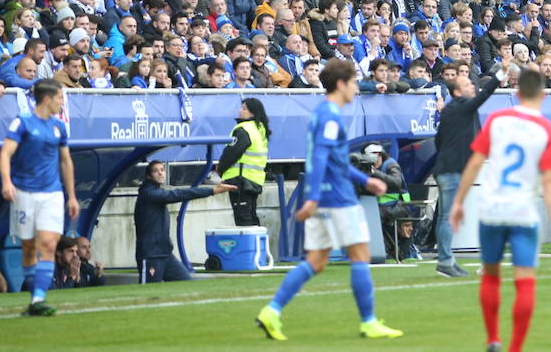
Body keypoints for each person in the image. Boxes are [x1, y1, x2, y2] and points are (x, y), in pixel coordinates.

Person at [256, 58, 403, 341]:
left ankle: (272, 311)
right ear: (340, 84)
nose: (356, 88)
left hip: (326, 196)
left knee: (316, 261)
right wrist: (311, 198)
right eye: (353, 83)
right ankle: (369, 321)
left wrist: (366, 180)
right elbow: (321, 157)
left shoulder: (323, 113)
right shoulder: (330, 117)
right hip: (337, 198)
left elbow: (334, 159)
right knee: (360, 255)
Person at [450, 67, 551, 352]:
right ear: (544, 94)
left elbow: (476, 162)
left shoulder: (497, 120)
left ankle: (493, 339)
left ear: (516, 94)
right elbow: (550, 183)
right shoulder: (548, 131)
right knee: (524, 281)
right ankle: (515, 347)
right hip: (522, 213)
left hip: (491, 209)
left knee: (491, 274)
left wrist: (458, 202)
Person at [0, 78, 80, 316]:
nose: (62, 103)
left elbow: (66, 161)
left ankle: (38, 299)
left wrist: (72, 196)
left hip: (52, 193)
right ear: (47, 99)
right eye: (60, 99)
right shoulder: (22, 122)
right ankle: (35, 300)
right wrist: (6, 181)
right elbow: (5, 154)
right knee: (30, 249)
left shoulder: (58, 127)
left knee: (48, 244)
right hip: (24, 193)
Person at [433, 69, 500, 278]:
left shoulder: (453, 110)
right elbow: (483, 96)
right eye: (467, 85)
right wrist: (500, 76)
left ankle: (448, 259)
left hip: (449, 167)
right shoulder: (461, 108)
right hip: (451, 170)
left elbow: (439, 141)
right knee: (446, 217)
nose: (473, 87)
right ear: (458, 93)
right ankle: (444, 261)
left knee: (447, 216)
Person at [136, 159, 236, 282]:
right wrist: (211, 190)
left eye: (162, 170)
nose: (161, 173)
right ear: (149, 176)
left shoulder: (157, 192)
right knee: (148, 293)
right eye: (156, 171)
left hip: (166, 254)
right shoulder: (148, 194)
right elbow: (178, 194)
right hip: (150, 256)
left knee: (186, 283)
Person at [215, 97, 271, 226]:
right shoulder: (260, 128)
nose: (240, 111)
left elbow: (231, 153)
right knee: (251, 218)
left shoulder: (244, 129)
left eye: (244, 108)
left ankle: (248, 247)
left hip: (240, 180)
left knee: (243, 221)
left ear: (253, 112)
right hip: (254, 180)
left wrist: (220, 168)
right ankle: (256, 246)